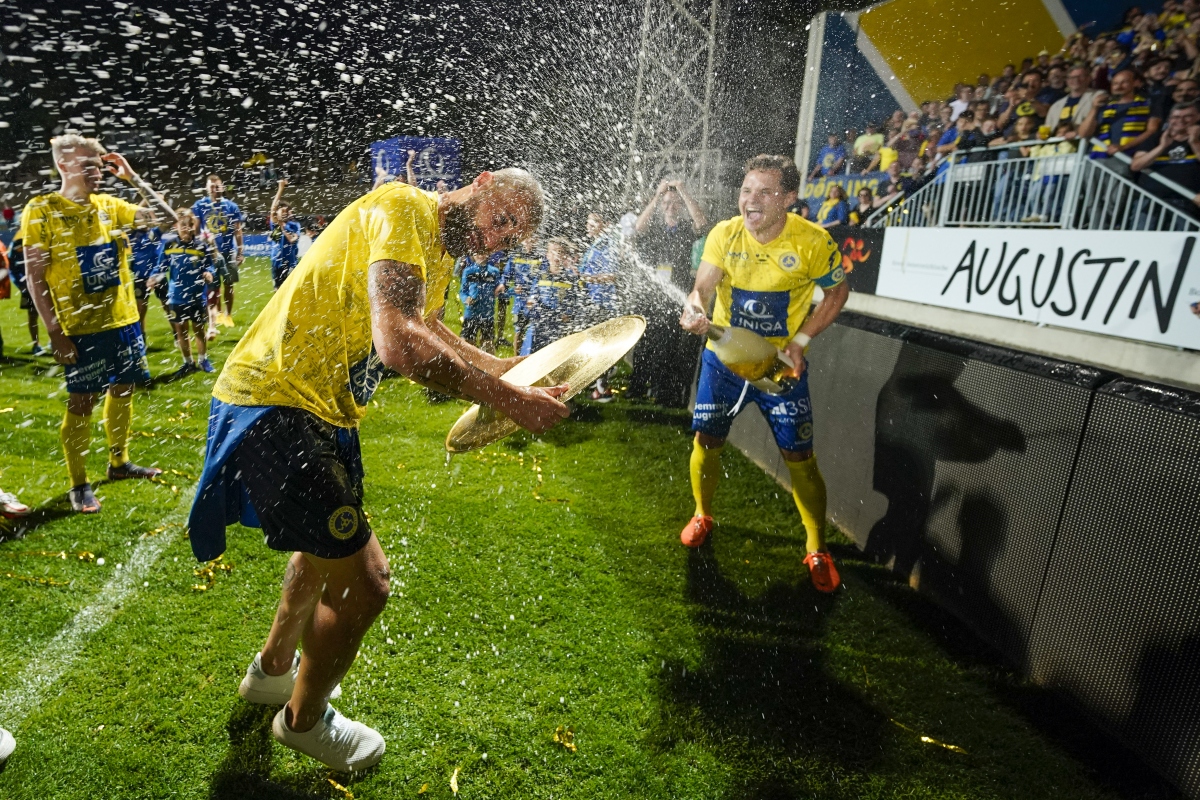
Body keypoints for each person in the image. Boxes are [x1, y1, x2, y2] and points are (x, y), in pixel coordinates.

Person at [187, 168, 566, 773]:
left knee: (320, 555)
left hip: (320, 408)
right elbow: (399, 342)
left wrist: (505, 367)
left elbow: (429, 324)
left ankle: (272, 673)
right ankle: (303, 721)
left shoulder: (438, 246)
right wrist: (508, 398)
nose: (496, 239)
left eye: (510, 236)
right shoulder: (405, 208)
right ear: (483, 182)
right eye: (501, 220)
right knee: (368, 582)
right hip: (277, 402)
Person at [678, 154, 849, 592]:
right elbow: (702, 288)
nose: (750, 201)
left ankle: (817, 548)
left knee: (800, 458)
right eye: (746, 191)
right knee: (706, 441)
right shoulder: (724, 233)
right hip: (724, 363)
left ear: (789, 198)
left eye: (765, 192)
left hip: (779, 367)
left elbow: (837, 293)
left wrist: (801, 341)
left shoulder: (813, 242)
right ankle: (702, 514)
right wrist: (695, 309)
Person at [20, 134, 173, 513]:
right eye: (88, 164)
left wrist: (133, 178)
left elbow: (168, 218)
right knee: (82, 402)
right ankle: (79, 483)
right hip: (80, 329)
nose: (98, 172)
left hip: (123, 321)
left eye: (100, 165)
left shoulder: (108, 205)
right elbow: (34, 277)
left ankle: (119, 462)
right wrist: (55, 333)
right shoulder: (41, 209)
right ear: (63, 165)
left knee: (123, 389)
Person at [630, 180, 709, 408]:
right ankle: (638, 386)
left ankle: (663, 391)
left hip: (676, 294)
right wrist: (656, 197)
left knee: (669, 344)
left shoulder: (685, 228)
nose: (670, 207)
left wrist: (683, 191)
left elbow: (702, 225)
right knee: (645, 340)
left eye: (675, 203)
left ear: (681, 206)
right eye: (666, 203)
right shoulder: (654, 227)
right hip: (654, 293)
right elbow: (637, 229)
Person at [149, 209, 217, 373]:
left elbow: (209, 265)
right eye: (183, 225)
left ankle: (203, 360)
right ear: (176, 226)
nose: (186, 228)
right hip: (176, 296)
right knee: (181, 330)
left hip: (196, 296)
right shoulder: (169, 245)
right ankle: (188, 363)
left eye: (189, 224)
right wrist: (154, 278)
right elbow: (160, 267)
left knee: (199, 329)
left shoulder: (201, 246)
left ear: (194, 226)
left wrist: (209, 273)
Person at [191, 174, 243, 333]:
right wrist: (197, 247)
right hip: (209, 253)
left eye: (217, 186)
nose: (214, 189)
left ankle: (228, 314)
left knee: (229, 284)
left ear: (223, 187)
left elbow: (238, 230)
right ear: (207, 188)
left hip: (228, 251)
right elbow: (195, 229)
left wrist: (240, 251)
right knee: (212, 286)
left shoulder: (232, 206)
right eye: (211, 186)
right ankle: (217, 314)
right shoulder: (200, 205)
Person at [579, 210, 622, 402]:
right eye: (588, 222)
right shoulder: (596, 244)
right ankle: (597, 384)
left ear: (604, 224)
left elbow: (612, 276)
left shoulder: (608, 245)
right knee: (593, 344)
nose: (589, 225)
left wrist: (587, 278)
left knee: (601, 346)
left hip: (603, 304)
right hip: (594, 301)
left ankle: (602, 389)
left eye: (594, 222)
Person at [1131, 101, 1200, 217]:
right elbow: (1136, 165)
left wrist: (1194, 142)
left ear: (1197, 117)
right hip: (1150, 201)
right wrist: (1162, 146)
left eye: (1187, 116)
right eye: (1176, 117)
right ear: (1169, 119)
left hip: (1187, 202)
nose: (1181, 120)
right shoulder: (1156, 138)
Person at [1080, 69, 1161, 159]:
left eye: (1124, 82)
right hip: (1097, 156)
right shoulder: (1104, 106)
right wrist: (1094, 108)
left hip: (1127, 157)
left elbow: (1152, 130)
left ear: (1136, 83)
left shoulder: (1148, 104)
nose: (1118, 86)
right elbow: (1083, 134)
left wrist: (1124, 147)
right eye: (1115, 83)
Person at [523, 237, 581, 355]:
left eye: (560, 252)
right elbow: (532, 298)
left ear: (565, 256)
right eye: (552, 252)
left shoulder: (570, 280)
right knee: (530, 357)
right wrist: (530, 309)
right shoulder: (540, 277)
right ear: (547, 255)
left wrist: (568, 313)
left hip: (558, 328)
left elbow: (574, 302)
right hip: (538, 326)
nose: (556, 256)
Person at [500, 236, 544, 352]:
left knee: (535, 330)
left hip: (535, 301)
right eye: (527, 239)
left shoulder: (540, 258)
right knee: (519, 331)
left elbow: (543, 276)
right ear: (522, 240)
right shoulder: (516, 256)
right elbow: (506, 275)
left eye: (532, 239)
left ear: (537, 240)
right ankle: (516, 357)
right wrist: (505, 285)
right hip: (520, 302)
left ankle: (531, 355)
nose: (529, 241)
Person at [6, 233, 47, 355]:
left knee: (55, 314)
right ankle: (36, 344)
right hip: (29, 287)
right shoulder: (18, 243)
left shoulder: (43, 237)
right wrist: (21, 284)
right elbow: (12, 267)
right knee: (33, 315)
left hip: (47, 283)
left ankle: (54, 341)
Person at [458, 251, 502, 351]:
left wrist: (503, 290)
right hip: (471, 313)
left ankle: (487, 360)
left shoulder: (494, 272)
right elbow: (463, 291)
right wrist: (466, 299)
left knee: (488, 344)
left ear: (488, 254)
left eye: (483, 253)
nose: (480, 255)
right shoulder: (468, 271)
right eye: (477, 253)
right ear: (473, 255)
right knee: (468, 344)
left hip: (487, 315)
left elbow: (499, 290)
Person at [129, 222, 164, 341]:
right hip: (140, 276)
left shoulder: (155, 232)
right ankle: (141, 338)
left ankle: (177, 335)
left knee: (167, 306)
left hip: (157, 275)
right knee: (140, 309)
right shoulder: (132, 234)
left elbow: (167, 223)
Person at [268, 178, 301, 289]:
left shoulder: (294, 225)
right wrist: (280, 189)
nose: (284, 213)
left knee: (290, 289)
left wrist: (283, 228)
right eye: (281, 211)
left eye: (286, 211)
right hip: (277, 260)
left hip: (290, 262)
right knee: (277, 289)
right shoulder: (275, 224)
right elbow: (273, 210)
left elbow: (293, 239)